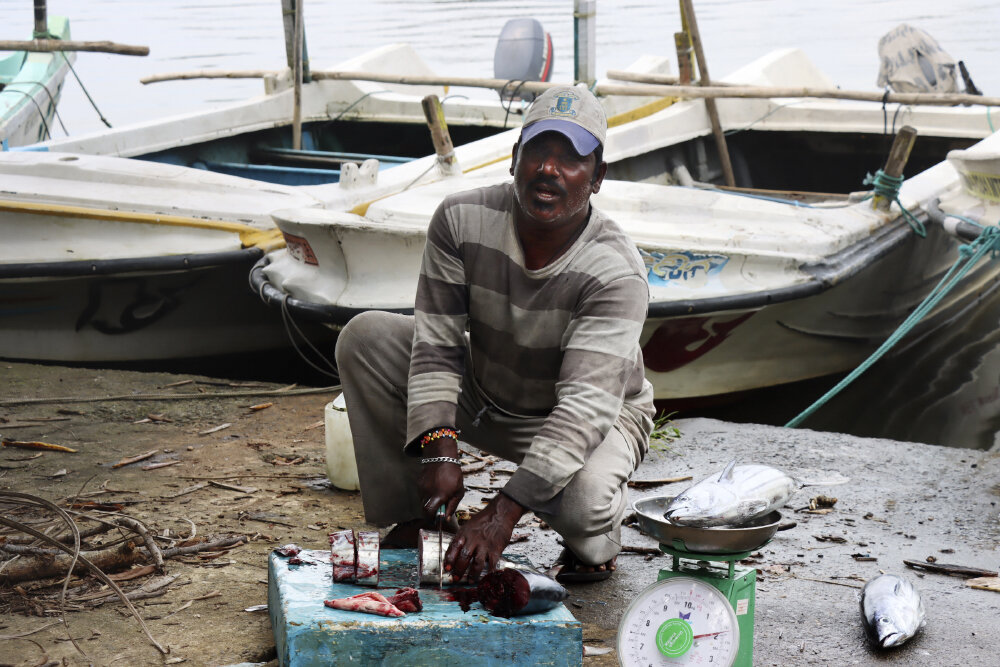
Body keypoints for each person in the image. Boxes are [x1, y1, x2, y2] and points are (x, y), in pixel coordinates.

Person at [335, 85, 654, 583]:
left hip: (592, 416)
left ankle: (601, 530)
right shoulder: (461, 219)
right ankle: (419, 515)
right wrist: (439, 446)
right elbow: (438, 343)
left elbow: (582, 411)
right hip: (486, 392)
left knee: (582, 504)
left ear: (597, 178)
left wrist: (501, 515)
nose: (549, 169)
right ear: (514, 159)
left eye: (571, 159)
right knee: (367, 338)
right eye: (538, 152)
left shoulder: (616, 272)